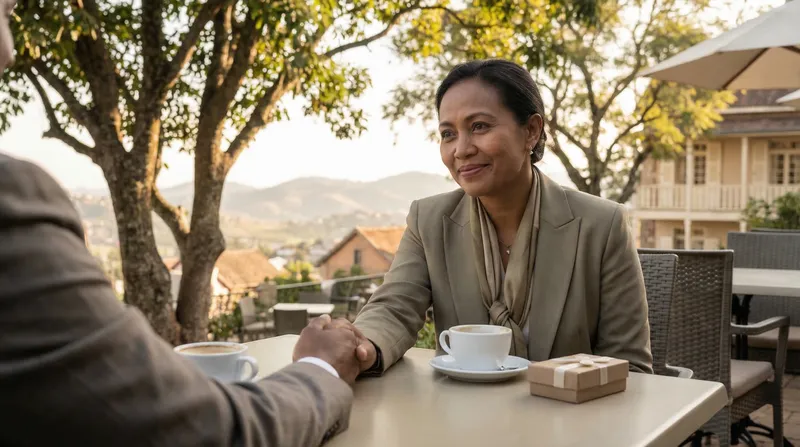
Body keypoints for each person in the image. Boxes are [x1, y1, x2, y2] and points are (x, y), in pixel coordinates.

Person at [0, 1, 361, 445]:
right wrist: (319, 369)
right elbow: (212, 433)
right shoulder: (11, 203)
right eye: (2, 13)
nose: (10, 49)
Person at [336, 59, 653, 376]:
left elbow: (629, 366)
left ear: (531, 131)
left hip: (572, 417)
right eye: (448, 133)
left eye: (479, 127)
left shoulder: (602, 225)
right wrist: (362, 346)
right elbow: (394, 308)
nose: (461, 150)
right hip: (462, 418)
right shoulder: (429, 220)